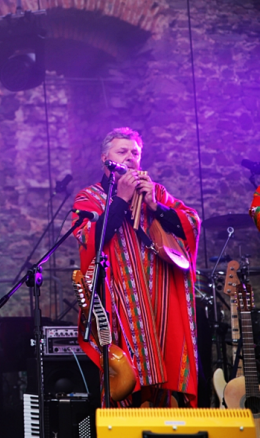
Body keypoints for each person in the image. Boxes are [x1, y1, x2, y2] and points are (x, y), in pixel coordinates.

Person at [72, 127, 201, 407]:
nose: (130, 157)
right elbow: (89, 240)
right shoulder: (89, 198)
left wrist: (155, 206)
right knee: (127, 385)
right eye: (122, 151)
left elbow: (191, 224)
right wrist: (120, 199)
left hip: (161, 303)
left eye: (135, 153)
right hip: (120, 304)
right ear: (105, 158)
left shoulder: (158, 193)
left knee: (168, 384)